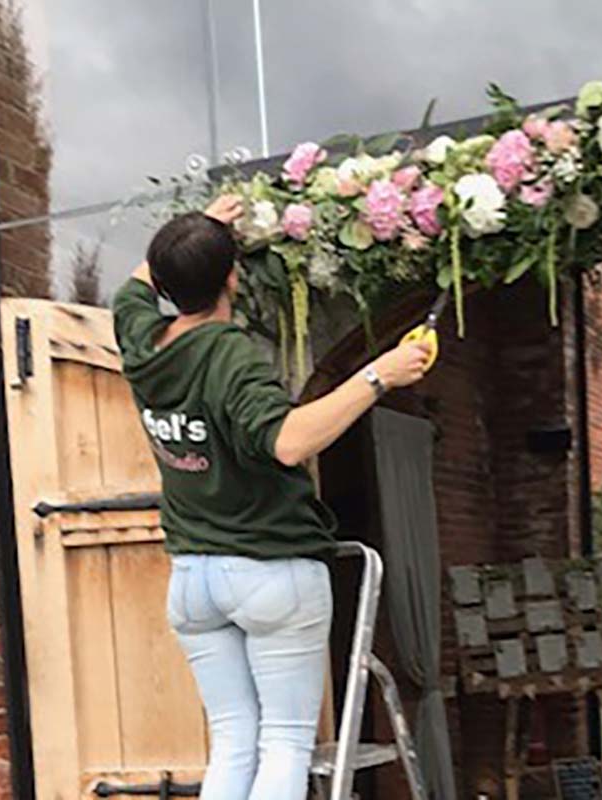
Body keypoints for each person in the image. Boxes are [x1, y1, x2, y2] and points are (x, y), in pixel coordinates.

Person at [111, 195, 432, 800]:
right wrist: (379, 375)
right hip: (269, 570)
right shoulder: (229, 358)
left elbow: (135, 285)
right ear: (233, 276)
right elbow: (288, 442)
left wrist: (199, 231)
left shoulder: (141, 339)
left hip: (194, 582)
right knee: (284, 744)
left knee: (235, 742)